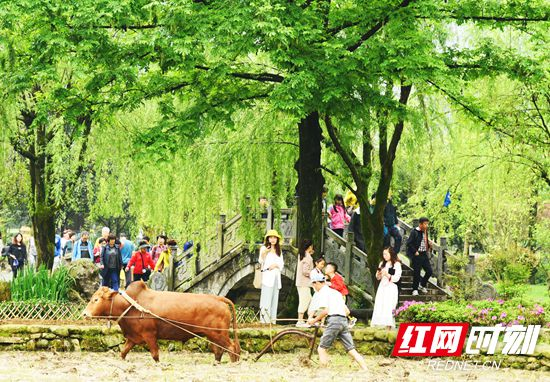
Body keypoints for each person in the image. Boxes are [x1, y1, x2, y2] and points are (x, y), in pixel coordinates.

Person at [307, 273, 368, 370]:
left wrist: (313, 320)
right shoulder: (336, 293)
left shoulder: (323, 293)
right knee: (351, 349)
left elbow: (326, 311)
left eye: (313, 284)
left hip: (334, 320)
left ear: (317, 283)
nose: (313, 287)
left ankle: (323, 371)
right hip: (343, 321)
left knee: (321, 349)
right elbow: (347, 311)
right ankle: (365, 368)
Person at [371, 247, 402, 329]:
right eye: (383, 254)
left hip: (391, 287)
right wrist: (379, 274)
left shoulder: (396, 264)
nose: (384, 256)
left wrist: (387, 274)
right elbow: (378, 278)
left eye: (386, 254)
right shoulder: (382, 263)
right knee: (380, 304)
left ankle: (389, 326)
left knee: (389, 306)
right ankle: (379, 325)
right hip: (382, 287)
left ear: (391, 254)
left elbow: (396, 278)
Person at [258, 229, 284, 324]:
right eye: (271, 237)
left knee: (274, 298)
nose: (273, 239)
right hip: (267, 277)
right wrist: (265, 253)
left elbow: (281, 264)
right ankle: (264, 320)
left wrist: (275, 265)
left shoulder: (279, 250)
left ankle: (273, 321)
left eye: (274, 238)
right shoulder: (264, 248)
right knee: (266, 298)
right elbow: (261, 261)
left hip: (276, 276)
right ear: (268, 239)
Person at [406, 217, 433, 296]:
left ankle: (422, 285)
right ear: (420, 224)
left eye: (427, 224)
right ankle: (414, 289)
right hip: (417, 255)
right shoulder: (414, 232)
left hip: (424, 254)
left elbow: (424, 242)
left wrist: (429, 244)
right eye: (425, 224)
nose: (426, 225)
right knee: (417, 272)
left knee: (429, 271)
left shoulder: (425, 232)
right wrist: (415, 251)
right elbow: (409, 243)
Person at [295, 239, 314, 328]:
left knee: (309, 300)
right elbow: (305, 271)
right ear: (309, 246)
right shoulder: (307, 257)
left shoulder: (302, 255)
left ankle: (309, 319)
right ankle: (300, 320)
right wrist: (314, 274)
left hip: (301, 282)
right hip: (304, 283)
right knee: (305, 300)